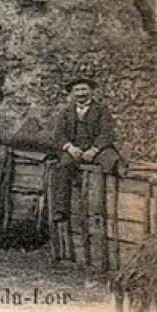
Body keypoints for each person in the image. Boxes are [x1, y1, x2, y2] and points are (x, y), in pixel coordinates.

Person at [50, 77, 121, 221]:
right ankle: (61, 210)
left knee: (112, 160)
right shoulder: (66, 112)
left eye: (84, 89)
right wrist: (69, 147)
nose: (80, 93)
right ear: (72, 93)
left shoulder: (101, 110)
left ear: (91, 91)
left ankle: (119, 202)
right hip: (74, 150)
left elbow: (107, 133)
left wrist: (94, 149)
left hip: (96, 150)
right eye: (77, 90)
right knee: (64, 166)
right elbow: (59, 134)